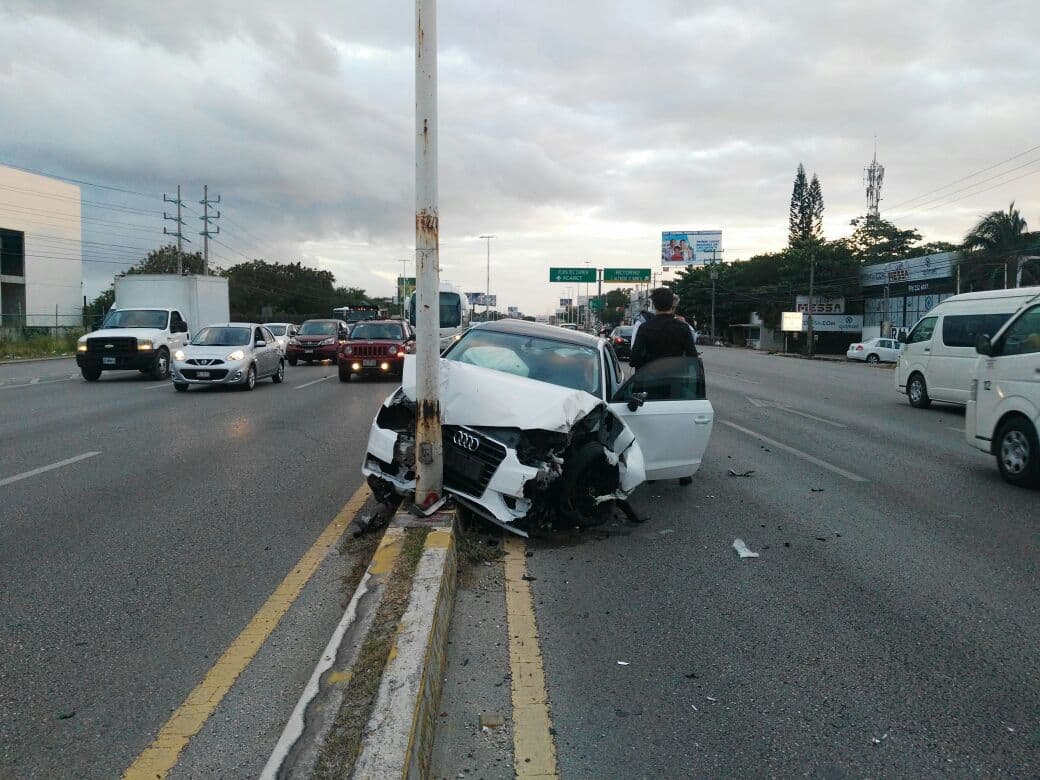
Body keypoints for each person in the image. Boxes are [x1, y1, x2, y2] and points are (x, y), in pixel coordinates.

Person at [629, 288, 699, 370]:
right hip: (675, 378)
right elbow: (693, 359)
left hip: (650, 378)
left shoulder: (645, 328)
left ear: (654, 305)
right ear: (671, 303)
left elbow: (633, 360)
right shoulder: (683, 327)